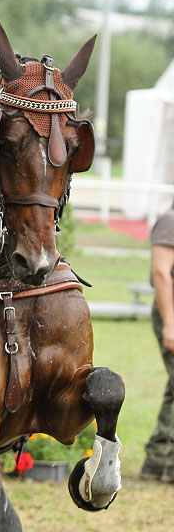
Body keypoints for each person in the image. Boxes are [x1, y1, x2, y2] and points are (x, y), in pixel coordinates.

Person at [142, 205, 174, 483]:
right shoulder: (169, 222)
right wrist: (170, 324)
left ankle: (158, 459)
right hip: (171, 312)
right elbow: (162, 274)